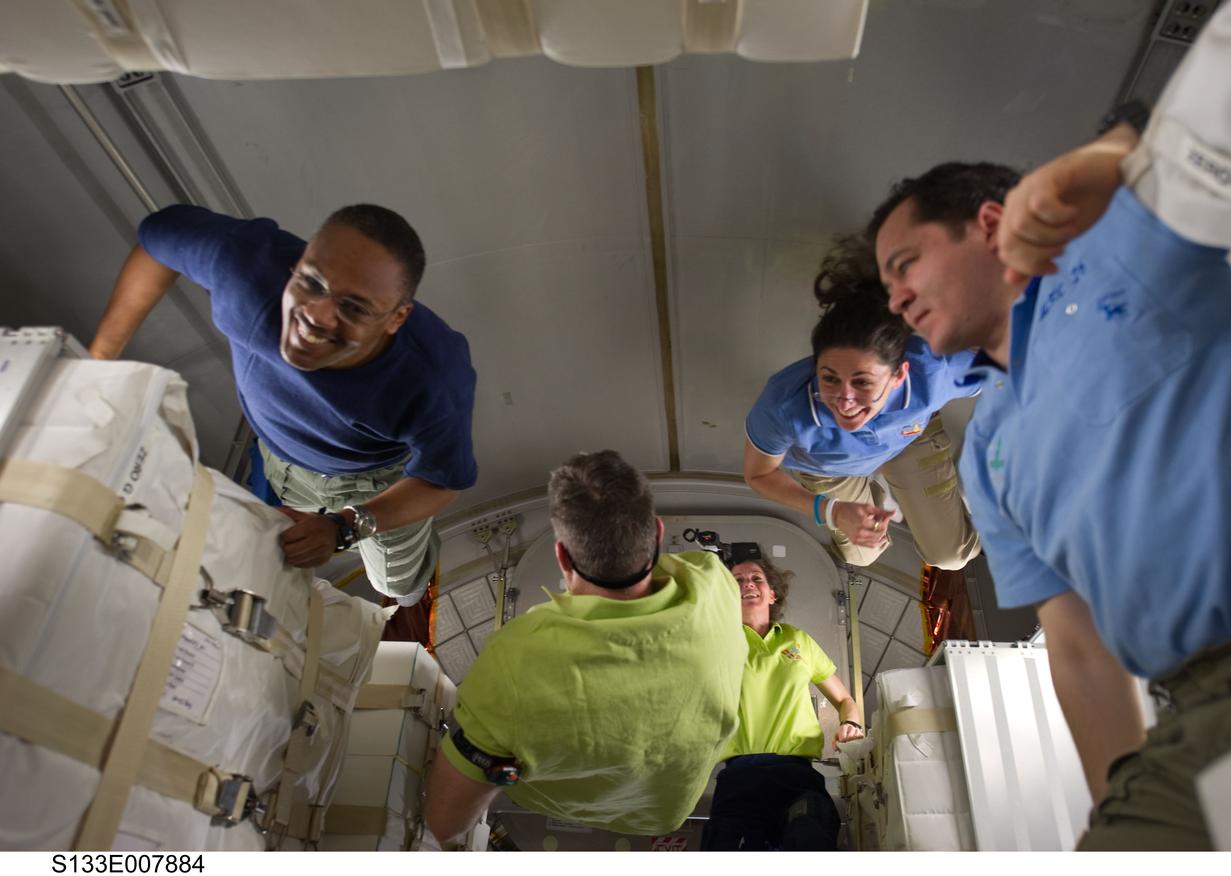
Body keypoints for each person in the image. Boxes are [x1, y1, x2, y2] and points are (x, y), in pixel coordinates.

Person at [867, 3, 1231, 845]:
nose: (896, 297)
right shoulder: (985, 453)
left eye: (905, 265)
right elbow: (1080, 651)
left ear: (987, 224)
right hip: (1202, 703)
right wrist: (1116, 804)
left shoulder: (1125, 239)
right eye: (887, 287)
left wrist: (1115, 154)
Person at [88, 203, 476, 606]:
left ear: (397, 319)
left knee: (397, 590)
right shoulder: (248, 266)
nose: (315, 317)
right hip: (281, 458)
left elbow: (443, 479)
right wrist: (97, 366)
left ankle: (415, 539)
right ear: (298, 263)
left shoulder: (434, 378)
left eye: (354, 308)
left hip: (374, 480)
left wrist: (344, 527)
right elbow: (158, 239)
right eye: (311, 282)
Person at [424, 450, 747, 841]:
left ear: (561, 555)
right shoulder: (717, 583)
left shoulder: (514, 663)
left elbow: (444, 822)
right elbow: (687, 564)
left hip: (565, 805)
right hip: (666, 812)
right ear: (658, 533)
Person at [743, 237, 981, 569]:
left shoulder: (934, 373)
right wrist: (831, 511)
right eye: (829, 378)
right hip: (828, 468)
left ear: (899, 376)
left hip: (907, 441)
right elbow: (758, 474)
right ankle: (871, 495)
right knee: (862, 557)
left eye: (862, 382)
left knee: (951, 558)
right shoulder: (783, 405)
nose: (844, 400)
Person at [701, 555, 864, 851]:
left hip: (797, 776)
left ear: (772, 593)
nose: (747, 584)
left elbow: (844, 699)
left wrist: (850, 723)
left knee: (810, 835)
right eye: (736, 581)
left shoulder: (797, 640)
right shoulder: (713, 643)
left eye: (756, 578)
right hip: (740, 778)